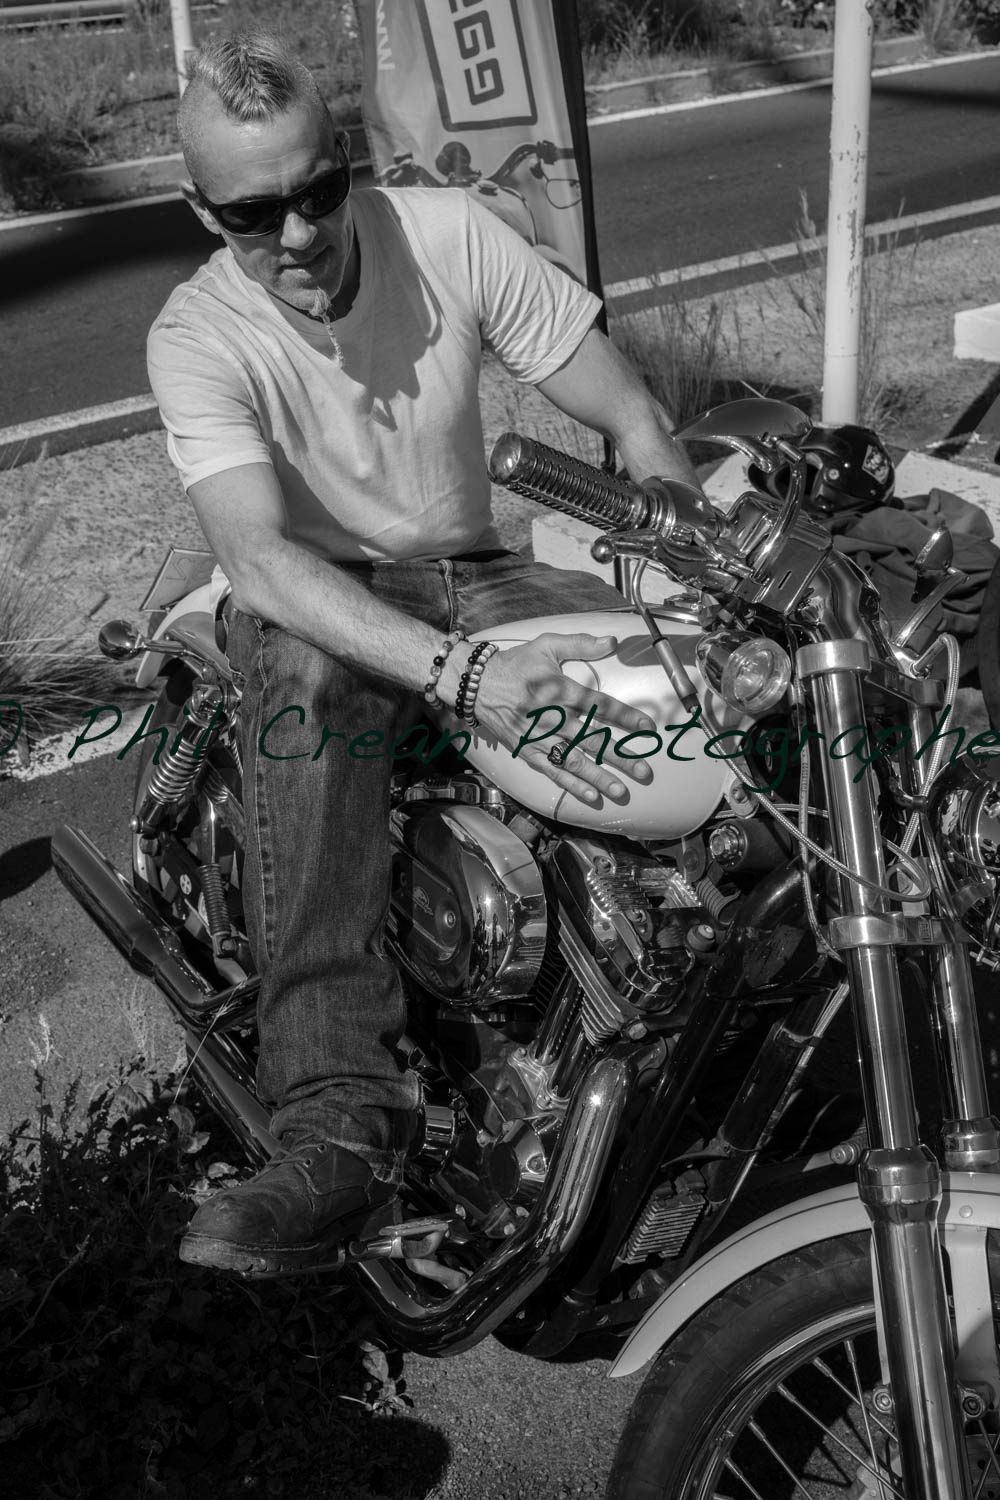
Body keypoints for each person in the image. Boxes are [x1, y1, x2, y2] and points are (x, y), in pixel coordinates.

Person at [147, 30, 702, 1274]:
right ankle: (337, 1116)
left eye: (315, 191)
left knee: (675, 672)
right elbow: (258, 563)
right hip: (319, 584)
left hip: (480, 568)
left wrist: (684, 531)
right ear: (201, 211)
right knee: (312, 681)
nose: (294, 233)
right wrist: (461, 676)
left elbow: (621, 408)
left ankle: (657, 1021)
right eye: (250, 214)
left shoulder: (445, 230)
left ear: (343, 164)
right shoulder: (195, 336)